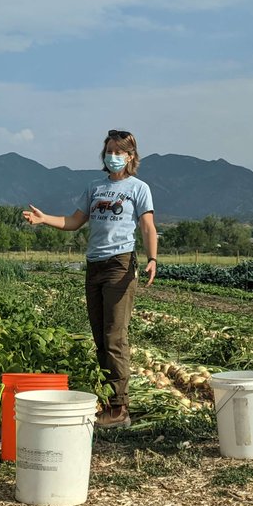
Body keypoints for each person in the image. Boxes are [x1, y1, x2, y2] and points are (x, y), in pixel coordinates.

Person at [22, 130, 158, 428]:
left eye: (119, 152)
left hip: (120, 265)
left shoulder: (139, 188)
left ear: (131, 156)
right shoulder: (95, 187)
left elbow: (147, 226)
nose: (112, 156)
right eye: (109, 150)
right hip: (94, 265)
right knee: (100, 337)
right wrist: (44, 219)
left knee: (114, 337)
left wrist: (152, 258)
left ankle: (119, 409)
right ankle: (109, 402)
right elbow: (74, 221)